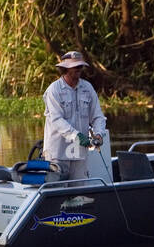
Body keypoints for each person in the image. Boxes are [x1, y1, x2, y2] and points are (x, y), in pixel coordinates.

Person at [43, 50, 107, 181]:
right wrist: (77, 136)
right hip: (57, 153)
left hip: (79, 154)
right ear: (65, 68)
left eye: (80, 66)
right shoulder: (53, 90)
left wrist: (99, 133)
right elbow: (57, 120)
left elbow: (97, 116)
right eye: (75, 66)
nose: (79, 69)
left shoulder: (88, 88)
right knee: (58, 192)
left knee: (79, 194)